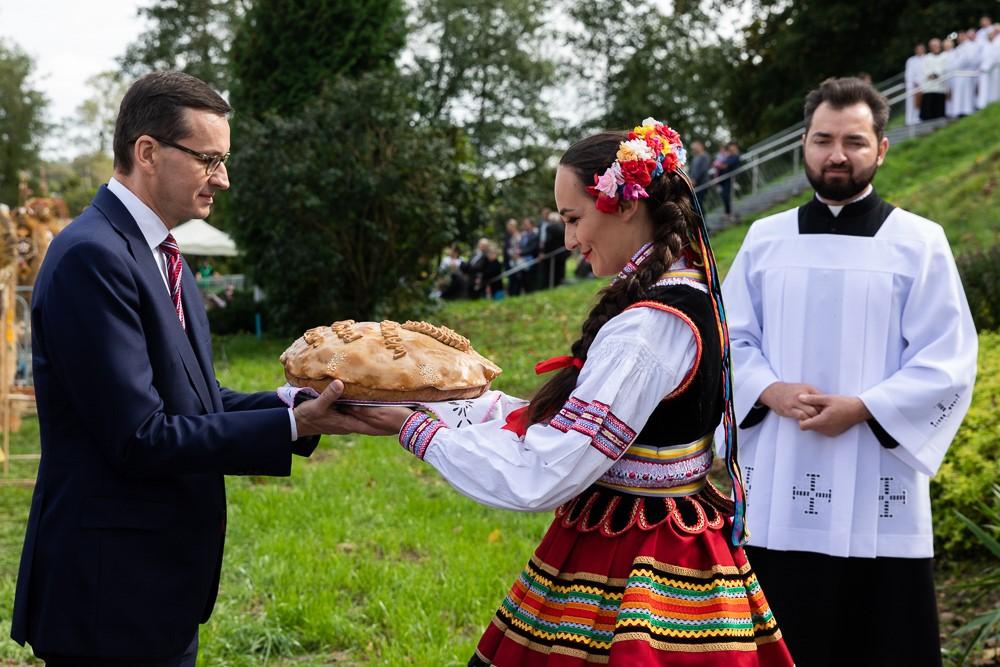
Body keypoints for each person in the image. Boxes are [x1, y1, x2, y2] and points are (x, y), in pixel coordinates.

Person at [344, 118, 794, 665]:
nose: (569, 240)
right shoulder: (687, 292)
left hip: (635, 557)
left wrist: (415, 429)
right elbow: (573, 426)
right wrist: (446, 402)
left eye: (573, 218)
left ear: (624, 204)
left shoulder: (648, 328)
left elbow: (543, 473)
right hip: (668, 537)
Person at [10, 71, 371, 666]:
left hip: (155, 586)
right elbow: (140, 437)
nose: (223, 179)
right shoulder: (92, 257)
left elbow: (194, 401)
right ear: (147, 152)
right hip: (111, 596)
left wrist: (304, 402)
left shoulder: (157, 252)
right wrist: (294, 426)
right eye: (208, 159)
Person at [722, 77, 977, 666]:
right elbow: (729, 339)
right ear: (804, 146)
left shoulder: (920, 242)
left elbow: (948, 358)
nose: (838, 154)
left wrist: (864, 407)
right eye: (823, 139)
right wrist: (772, 390)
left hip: (876, 472)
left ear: (882, 148)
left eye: (855, 141)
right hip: (781, 479)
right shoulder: (765, 240)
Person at [920, 37, 948, 120]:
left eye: (937, 46)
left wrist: (937, 74)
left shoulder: (945, 56)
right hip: (929, 88)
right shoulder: (926, 58)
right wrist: (932, 75)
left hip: (941, 88)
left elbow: (945, 69)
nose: (936, 47)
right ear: (930, 47)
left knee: (939, 112)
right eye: (933, 46)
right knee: (928, 112)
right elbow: (925, 72)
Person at [904, 43, 926, 126]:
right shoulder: (911, 60)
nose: (920, 51)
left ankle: (920, 117)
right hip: (913, 85)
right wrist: (914, 83)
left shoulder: (927, 58)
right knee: (912, 103)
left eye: (922, 49)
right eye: (918, 49)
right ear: (916, 50)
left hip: (925, 84)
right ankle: (911, 120)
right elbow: (909, 74)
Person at [688, 139, 712, 208]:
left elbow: (703, 169)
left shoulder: (705, 156)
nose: (694, 149)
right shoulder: (695, 158)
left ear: (700, 146)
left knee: (699, 204)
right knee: (696, 204)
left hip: (702, 183)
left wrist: (695, 180)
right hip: (695, 184)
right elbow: (691, 170)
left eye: (695, 147)